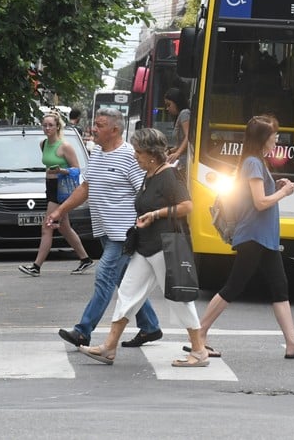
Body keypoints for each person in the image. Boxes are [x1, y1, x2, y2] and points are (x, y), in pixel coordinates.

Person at [193, 115, 294, 360]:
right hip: (254, 236)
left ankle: (292, 343)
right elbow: (260, 202)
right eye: (274, 135)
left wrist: (277, 185)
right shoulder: (253, 163)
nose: (277, 139)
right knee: (234, 286)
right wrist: (283, 192)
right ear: (263, 138)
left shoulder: (257, 162)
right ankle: (199, 334)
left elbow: (261, 195)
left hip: (265, 237)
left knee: (279, 288)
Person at [77, 128, 209, 367]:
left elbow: (187, 206)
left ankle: (199, 351)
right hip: (145, 246)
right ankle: (109, 347)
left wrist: (155, 214)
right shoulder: (150, 173)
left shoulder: (168, 175)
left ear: (151, 154)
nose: (135, 156)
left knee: (179, 299)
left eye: (138, 152)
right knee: (127, 293)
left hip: (163, 246)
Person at [50, 108, 161, 349]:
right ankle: (150, 326)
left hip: (124, 234)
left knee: (104, 279)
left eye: (99, 125)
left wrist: (143, 223)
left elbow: (145, 192)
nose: (93, 129)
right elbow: (86, 187)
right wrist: (60, 211)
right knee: (124, 281)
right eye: (94, 124)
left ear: (114, 130)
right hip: (105, 230)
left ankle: (83, 331)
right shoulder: (98, 153)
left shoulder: (130, 156)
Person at [19, 112, 95, 277]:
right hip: (50, 186)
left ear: (57, 127)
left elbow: (77, 169)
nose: (47, 128)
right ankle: (85, 259)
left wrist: (61, 170)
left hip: (62, 188)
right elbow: (47, 163)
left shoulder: (65, 146)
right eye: (44, 125)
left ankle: (36, 266)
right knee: (64, 227)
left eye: (50, 125)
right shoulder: (43, 144)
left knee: (47, 226)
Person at [164, 87, 190, 174]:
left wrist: (177, 153)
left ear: (177, 102)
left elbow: (188, 136)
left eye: (169, 105)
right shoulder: (180, 115)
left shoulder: (184, 113)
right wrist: (170, 151)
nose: (167, 108)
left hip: (186, 162)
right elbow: (182, 144)